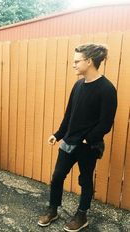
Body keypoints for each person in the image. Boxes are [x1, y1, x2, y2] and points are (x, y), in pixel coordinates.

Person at [38, 44, 117, 231]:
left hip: (88, 146)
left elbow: (105, 123)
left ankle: (82, 215)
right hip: (68, 142)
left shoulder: (107, 89)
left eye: (76, 61)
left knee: (85, 180)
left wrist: (87, 140)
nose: (73, 65)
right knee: (57, 177)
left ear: (89, 61)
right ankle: (53, 209)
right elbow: (69, 116)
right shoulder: (78, 85)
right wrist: (57, 135)